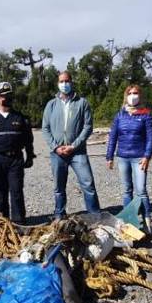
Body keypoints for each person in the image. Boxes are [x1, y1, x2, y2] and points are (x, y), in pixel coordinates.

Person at [42, 70, 100, 219]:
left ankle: (94, 216)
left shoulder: (82, 103)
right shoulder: (51, 105)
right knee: (59, 187)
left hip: (78, 152)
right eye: (61, 81)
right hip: (57, 153)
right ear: (57, 84)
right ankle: (59, 215)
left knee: (88, 184)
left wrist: (74, 145)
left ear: (72, 82)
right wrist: (55, 147)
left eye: (67, 81)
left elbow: (88, 127)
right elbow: (45, 128)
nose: (64, 84)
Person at [0, 82, 36, 224]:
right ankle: (2, 223)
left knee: (16, 192)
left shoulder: (20, 117)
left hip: (15, 159)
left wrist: (30, 156)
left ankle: (19, 223)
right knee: (0, 193)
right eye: (4, 96)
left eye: (9, 96)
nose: (7, 99)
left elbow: (28, 139)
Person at [106, 85, 152, 234]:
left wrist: (147, 156)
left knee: (141, 191)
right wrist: (109, 156)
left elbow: (150, 138)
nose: (133, 96)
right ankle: (129, 221)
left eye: (135, 93)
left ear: (140, 95)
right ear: (125, 95)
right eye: (130, 93)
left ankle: (147, 222)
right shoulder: (120, 115)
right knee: (127, 191)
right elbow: (113, 136)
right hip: (122, 157)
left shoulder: (146, 115)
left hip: (139, 157)